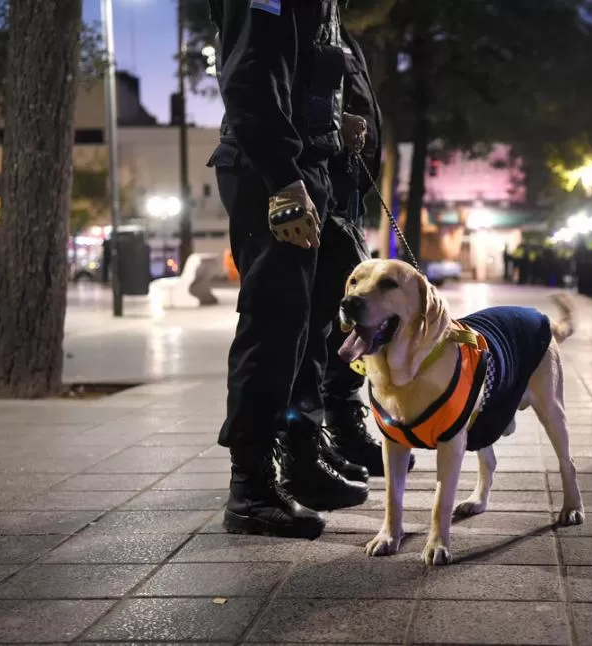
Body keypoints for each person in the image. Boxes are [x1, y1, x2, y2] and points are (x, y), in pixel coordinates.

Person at [207, 0, 369, 540]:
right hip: (271, 174)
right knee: (274, 326)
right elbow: (251, 75)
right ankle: (250, 487)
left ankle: (300, 458)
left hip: (308, 165)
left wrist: (331, 119)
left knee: (313, 322)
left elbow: (304, 66)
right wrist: (282, 177)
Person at [314, 25, 415, 479]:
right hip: (315, 184)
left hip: (345, 190)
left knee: (349, 320)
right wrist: (338, 121)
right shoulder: (306, 18)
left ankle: (343, 427)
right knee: (325, 321)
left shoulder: (341, 29)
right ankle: (314, 437)